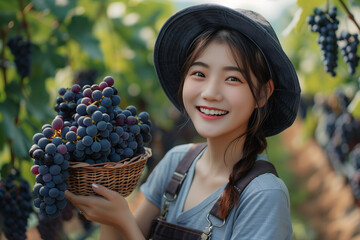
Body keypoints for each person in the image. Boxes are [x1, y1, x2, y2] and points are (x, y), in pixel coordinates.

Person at [65, 3, 301, 240]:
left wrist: (124, 221)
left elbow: (129, 230)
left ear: (262, 93)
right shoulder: (176, 164)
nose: (210, 92)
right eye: (199, 73)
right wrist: (109, 209)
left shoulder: (263, 195)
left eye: (232, 78)